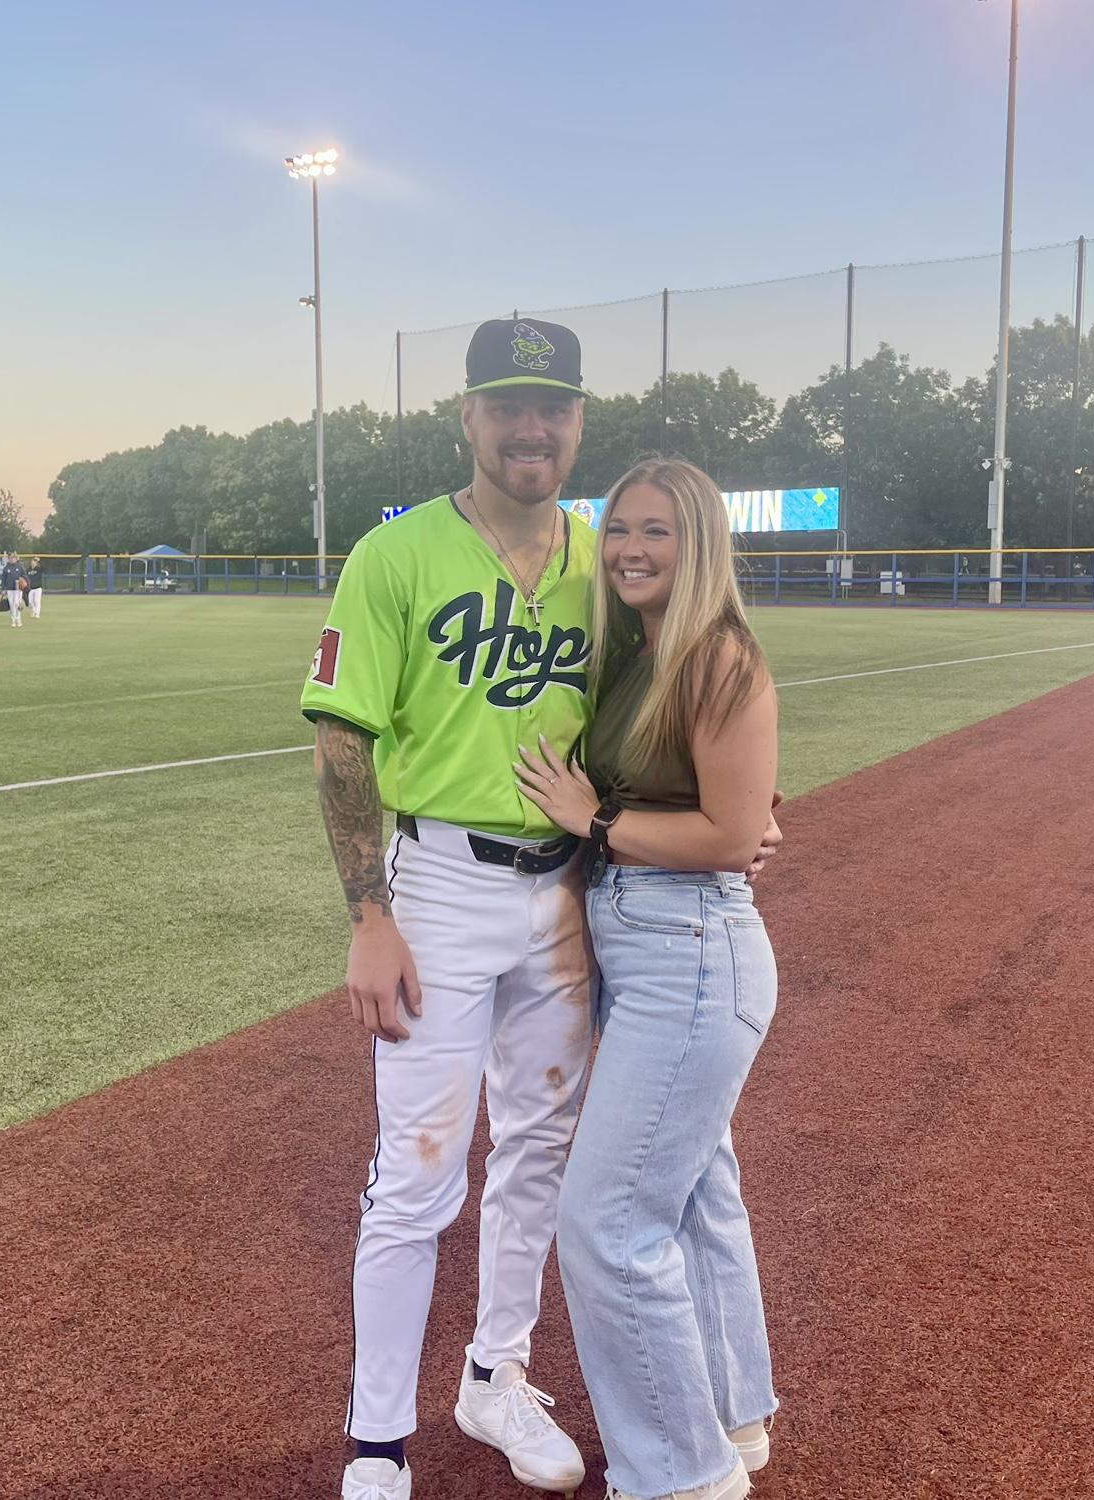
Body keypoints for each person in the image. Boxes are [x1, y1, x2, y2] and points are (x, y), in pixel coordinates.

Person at [301, 320, 780, 1500]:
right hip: (440, 887)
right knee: (417, 1175)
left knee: (538, 1155)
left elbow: (677, 695)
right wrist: (368, 915)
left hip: (570, 894)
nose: (531, 428)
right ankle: (378, 1441)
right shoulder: (397, 555)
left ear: (576, 422)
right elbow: (341, 741)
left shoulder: (603, 560)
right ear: (467, 415)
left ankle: (494, 1375)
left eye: (552, 408)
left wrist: (748, 809)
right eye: (508, 405)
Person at [515, 458, 781, 1500]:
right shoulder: (642, 650)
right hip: (648, 943)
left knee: (608, 1225)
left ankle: (681, 1477)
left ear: (699, 542)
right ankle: (732, 1420)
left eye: (656, 531)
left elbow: (727, 836)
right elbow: (733, 808)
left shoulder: (716, 656)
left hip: (689, 951)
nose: (629, 548)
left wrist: (596, 821)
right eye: (619, 528)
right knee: (700, 1192)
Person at [1, 552, 28, 628]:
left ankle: (18, 619)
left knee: (17, 603)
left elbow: (25, 576)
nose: (12, 559)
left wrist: (23, 583)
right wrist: (3, 589)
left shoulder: (20, 567)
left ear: (16, 558)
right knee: (12, 605)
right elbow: (3, 579)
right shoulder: (6, 568)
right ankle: (13, 620)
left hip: (18, 589)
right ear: (8, 559)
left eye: (13, 558)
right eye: (10, 558)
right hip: (10, 589)